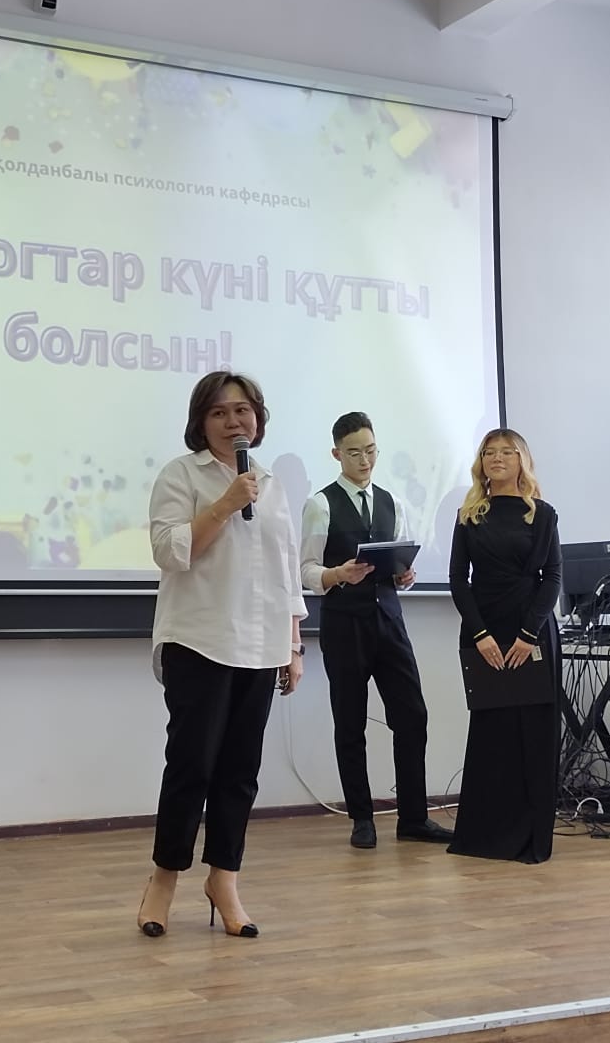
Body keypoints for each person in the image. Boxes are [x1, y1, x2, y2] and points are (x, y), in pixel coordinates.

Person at [137, 371, 307, 939]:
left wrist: (292, 644)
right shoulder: (180, 475)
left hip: (261, 646)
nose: (234, 421)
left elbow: (286, 571)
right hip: (199, 640)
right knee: (192, 767)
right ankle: (164, 880)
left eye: (243, 410)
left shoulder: (270, 483)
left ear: (257, 417)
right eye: (219, 412)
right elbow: (169, 551)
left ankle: (224, 880)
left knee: (239, 773)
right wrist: (225, 505)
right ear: (201, 421)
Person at [300, 412, 452, 849]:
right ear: (336, 454)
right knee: (350, 724)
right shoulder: (320, 504)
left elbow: (398, 562)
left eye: (370, 451)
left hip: (389, 621)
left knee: (413, 716)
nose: (364, 460)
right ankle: (362, 819)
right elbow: (305, 570)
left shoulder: (392, 502)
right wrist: (337, 575)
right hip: (344, 625)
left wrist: (406, 576)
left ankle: (414, 818)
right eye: (354, 453)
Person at [448, 428, 562, 863]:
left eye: (507, 452)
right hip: (484, 632)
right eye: (489, 452)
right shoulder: (469, 514)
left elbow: (552, 577)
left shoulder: (543, 515)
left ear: (522, 461)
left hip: (531, 632)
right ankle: (484, 837)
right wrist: (480, 635)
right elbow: (459, 579)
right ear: (481, 463)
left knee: (533, 733)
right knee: (492, 734)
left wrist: (529, 634)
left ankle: (531, 839)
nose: (497, 458)